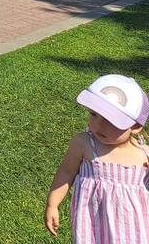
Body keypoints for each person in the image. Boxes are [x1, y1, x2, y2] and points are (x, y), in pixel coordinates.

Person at [45, 74, 149, 242]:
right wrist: (52, 205)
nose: (98, 125)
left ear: (135, 126)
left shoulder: (144, 155)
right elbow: (66, 173)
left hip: (133, 229)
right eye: (94, 114)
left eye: (110, 120)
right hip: (92, 226)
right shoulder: (84, 143)